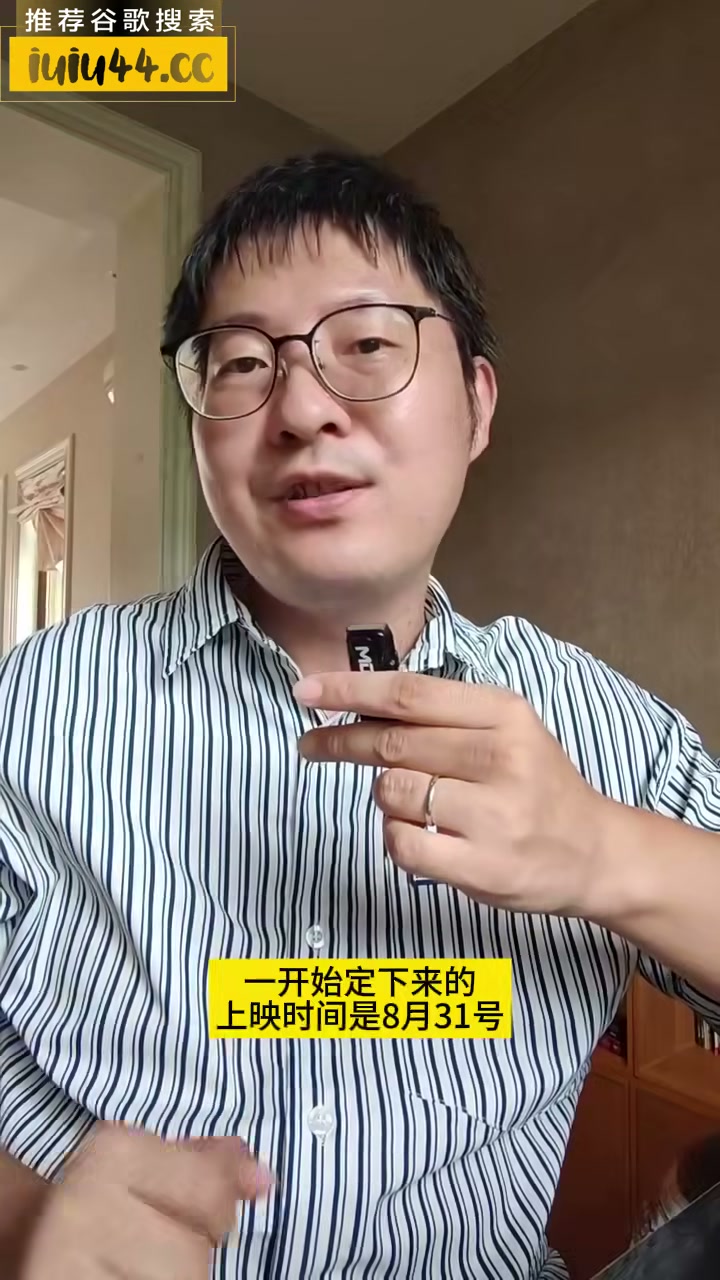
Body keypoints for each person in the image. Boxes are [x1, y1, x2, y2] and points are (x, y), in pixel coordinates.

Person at [0, 148, 719, 1280]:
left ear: (476, 405)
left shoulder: (609, 731)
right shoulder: (36, 700)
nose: (300, 409)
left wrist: (605, 851)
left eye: (370, 345)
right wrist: (22, 1219)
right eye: (242, 363)